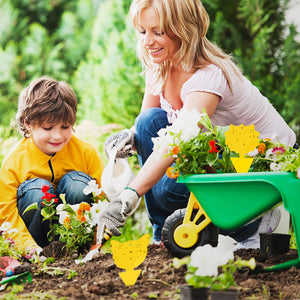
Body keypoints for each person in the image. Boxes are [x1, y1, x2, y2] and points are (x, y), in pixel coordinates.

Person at [97, 0, 296, 248]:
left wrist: (128, 196)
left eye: (158, 32)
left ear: (184, 29)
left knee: (167, 189)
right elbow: (147, 125)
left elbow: (177, 139)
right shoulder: (159, 66)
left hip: (257, 174)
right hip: (218, 159)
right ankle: (165, 235)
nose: (147, 41)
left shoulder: (209, 76)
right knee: (147, 123)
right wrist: (127, 138)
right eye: (142, 31)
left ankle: (245, 225)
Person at [0, 76, 104, 252]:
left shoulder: (86, 153)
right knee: (37, 190)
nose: (57, 136)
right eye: (48, 128)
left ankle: (77, 249)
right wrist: (27, 248)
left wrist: (98, 239)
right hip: (35, 244)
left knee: (78, 185)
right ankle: (41, 252)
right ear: (28, 123)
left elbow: (103, 200)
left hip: (76, 234)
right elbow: (6, 213)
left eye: (65, 127)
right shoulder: (14, 162)